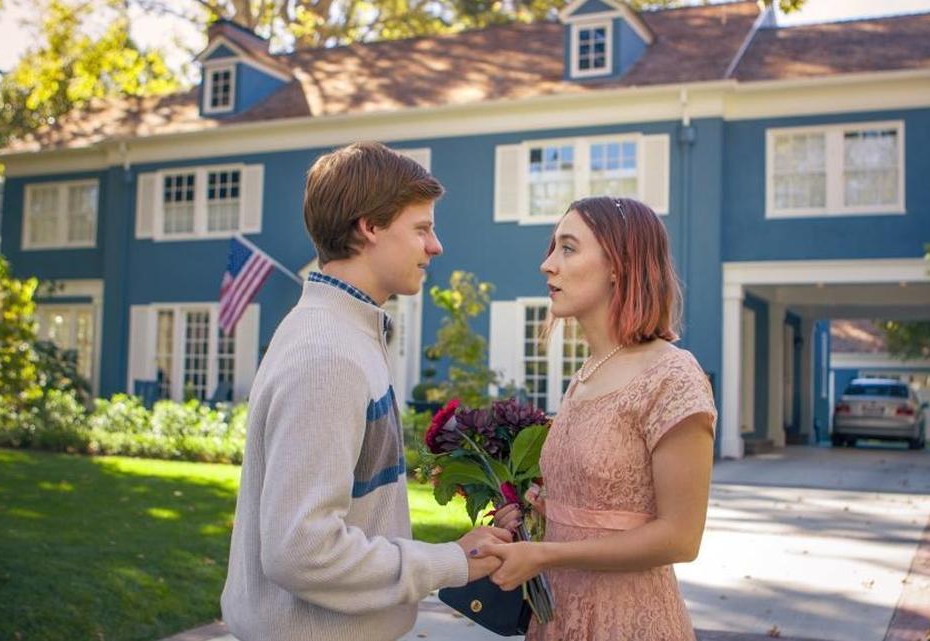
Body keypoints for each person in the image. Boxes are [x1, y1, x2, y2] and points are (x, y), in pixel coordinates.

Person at [221, 142, 510, 641]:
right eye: (422, 228)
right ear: (369, 226)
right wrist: (448, 562)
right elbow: (302, 550)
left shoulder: (345, 336)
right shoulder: (327, 354)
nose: (435, 245)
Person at [487, 196, 717, 640]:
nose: (547, 265)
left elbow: (680, 538)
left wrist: (546, 555)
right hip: (558, 615)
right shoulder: (587, 373)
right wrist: (531, 518)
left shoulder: (671, 375)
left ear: (619, 264)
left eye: (568, 248)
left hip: (630, 620)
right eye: (553, 247)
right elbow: (594, 510)